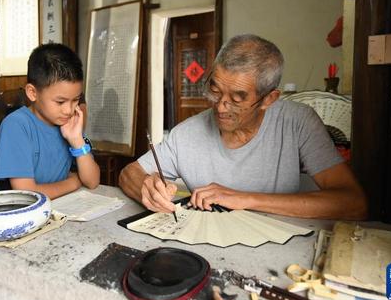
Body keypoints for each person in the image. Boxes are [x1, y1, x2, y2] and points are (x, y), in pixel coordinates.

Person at [119, 34, 367, 220]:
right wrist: (146, 187)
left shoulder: (297, 123)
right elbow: (129, 173)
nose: (221, 107)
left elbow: (353, 203)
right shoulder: (187, 133)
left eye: (238, 98)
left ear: (269, 99)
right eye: (215, 90)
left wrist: (244, 198)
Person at [0, 43, 99, 199]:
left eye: (75, 100)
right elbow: (27, 194)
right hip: (16, 216)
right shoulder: (16, 125)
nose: (69, 110)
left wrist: (77, 141)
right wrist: (73, 182)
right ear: (33, 93)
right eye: (60, 102)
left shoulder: (67, 124)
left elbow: (92, 181)